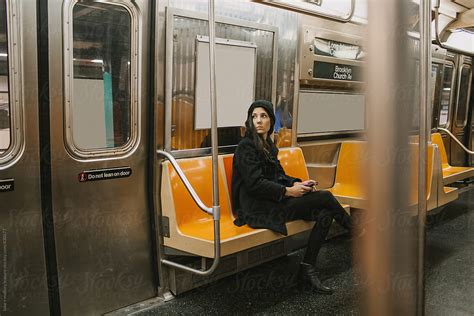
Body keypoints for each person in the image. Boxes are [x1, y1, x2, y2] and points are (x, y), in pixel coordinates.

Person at [231, 100, 352, 294]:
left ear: (271, 120)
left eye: (263, 116)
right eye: (254, 117)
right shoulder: (246, 147)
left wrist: (297, 183)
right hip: (258, 208)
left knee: (324, 214)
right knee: (325, 197)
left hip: (274, 201)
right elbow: (255, 184)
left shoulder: (268, 145)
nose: (258, 121)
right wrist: (287, 191)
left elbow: (279, 175)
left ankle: (307, 268)